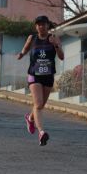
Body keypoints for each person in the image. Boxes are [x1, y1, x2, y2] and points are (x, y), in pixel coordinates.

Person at [17, 15, 64, 146]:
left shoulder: (54, 38)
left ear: (48, 25)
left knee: (41, 105)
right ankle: (41, 132)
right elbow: (26, 48)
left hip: (48, 75)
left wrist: (56, 46)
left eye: (43, 24)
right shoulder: (32, 38)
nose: (40, 26)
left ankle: (30, 118)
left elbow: (61, 57)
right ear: (35, 26)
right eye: (38, 24)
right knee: (38, 104)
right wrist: (21, 54)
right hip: (34, 74)